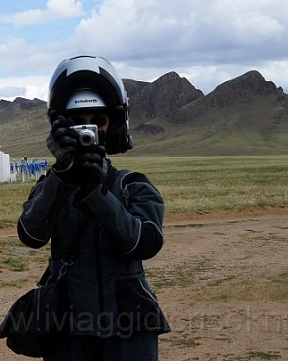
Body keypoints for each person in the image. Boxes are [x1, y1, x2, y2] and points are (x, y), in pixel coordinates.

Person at [17, 56, 169, 360]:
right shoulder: (52, 186)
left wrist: (96, 192)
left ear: (113, 125)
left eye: (97, 120)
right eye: (76, 121)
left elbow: (144, 243)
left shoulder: (132, 185)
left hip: (129, 329)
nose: (87, 129)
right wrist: (62, 175)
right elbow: (30, 234)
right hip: (67, 329)